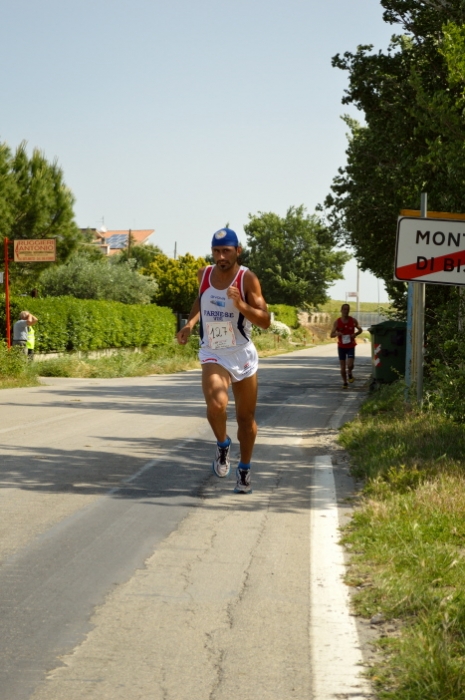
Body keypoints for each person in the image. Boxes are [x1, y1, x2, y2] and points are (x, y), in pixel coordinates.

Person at [176, 227, 270, 494]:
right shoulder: (204, 274)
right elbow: (201, 299)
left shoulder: (247, 279)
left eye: (226, 251)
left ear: (237, 251)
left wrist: (241, 305)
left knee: (246, 420)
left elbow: (265, 320)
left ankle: (244, 469)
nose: (221, 257)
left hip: (242, 354)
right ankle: (222, 445)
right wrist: (191, 323)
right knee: (217, 404)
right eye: (216, 251)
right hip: (213, 351)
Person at [330, 303, 363, 389]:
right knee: (342, 368)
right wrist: (337, 333)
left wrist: (355, 334)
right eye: (344, 309)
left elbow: (360, 330)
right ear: (341, 310)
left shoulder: (353, 321)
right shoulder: (337, 322)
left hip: (351, 346)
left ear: (349, 311)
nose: (346, 311)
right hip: (341, 347)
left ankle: (350, 372)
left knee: (350, 365)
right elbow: (331, 334)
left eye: (347, 309)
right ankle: (345, 382)